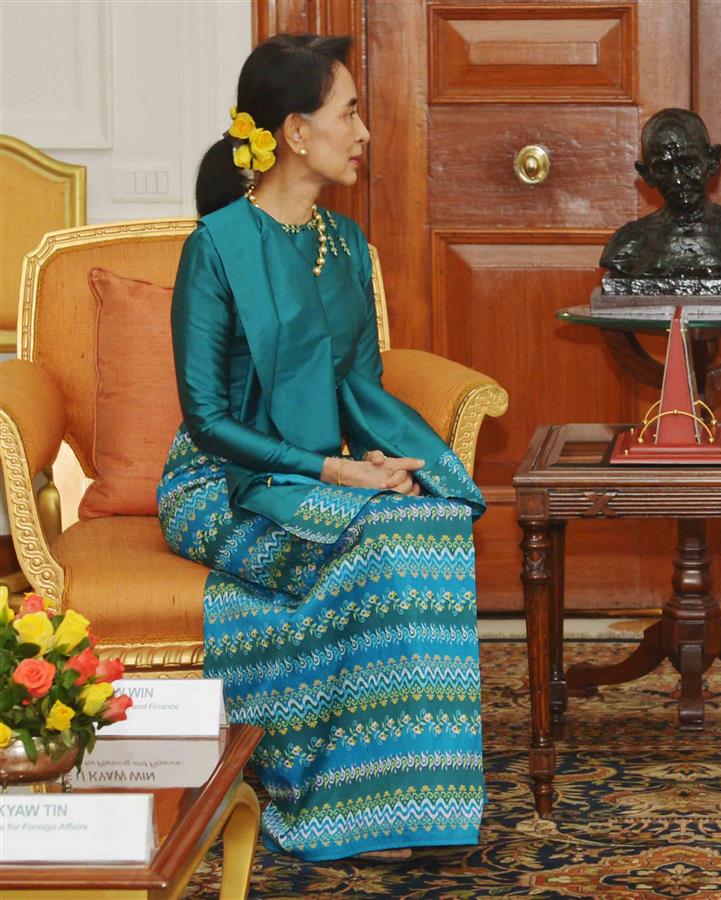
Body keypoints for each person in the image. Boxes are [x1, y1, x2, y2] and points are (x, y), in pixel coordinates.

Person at [158, 34, 486, 862]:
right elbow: (205, 420)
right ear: (296, 132)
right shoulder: (218, 246)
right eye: (350, 111)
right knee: (376, 535)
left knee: (432, 519)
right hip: (221, 483)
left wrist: (394, 466)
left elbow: (360, 389)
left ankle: (412, 800)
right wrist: (337, 472)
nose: (364, 130)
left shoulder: (341, 246)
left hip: (316, 471)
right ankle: (331, 802)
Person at [600, 108, 721, 279]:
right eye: (664, 168)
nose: (678, 180)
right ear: (647, 174)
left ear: (712, 161)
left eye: (689, 165)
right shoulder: (626, 246)